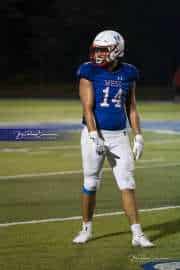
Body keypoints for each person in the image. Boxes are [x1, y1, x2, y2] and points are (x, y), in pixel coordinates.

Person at [73, 30, 154, 247]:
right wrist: (93, 135)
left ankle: (137, 234)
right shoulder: (88, 71)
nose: (98, 54)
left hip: (119, 136)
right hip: (94, 135)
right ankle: (86, 228)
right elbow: (87, 109)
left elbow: (132, 108)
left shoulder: (129, 73)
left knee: (127, 183)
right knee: (90, 182)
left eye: (103, 49)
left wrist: (138, 136)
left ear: (116, 50)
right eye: (96, 49)